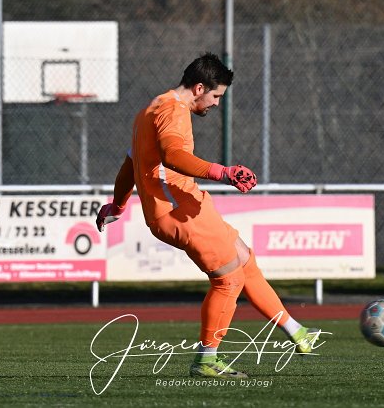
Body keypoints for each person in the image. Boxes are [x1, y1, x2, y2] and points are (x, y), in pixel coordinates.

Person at [96, 53, 318, 379]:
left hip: (187, 203)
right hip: (178, 210)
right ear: (199, 88)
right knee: (229, 280)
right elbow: (173, 155)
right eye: (216, 96)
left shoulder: (150, 110)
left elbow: (130, 166)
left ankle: (297, 331)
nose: (216, 104)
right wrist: (223, 172)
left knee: (243, 259)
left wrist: (117, 206)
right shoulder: (173, 111)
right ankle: (206, 360)